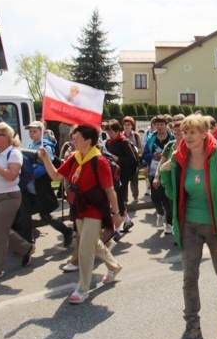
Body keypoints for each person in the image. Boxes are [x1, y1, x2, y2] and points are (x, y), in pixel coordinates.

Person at [160, 115, 217, 339]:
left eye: (192, 132)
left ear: (204, 134)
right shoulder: (178, 157)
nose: (187, 137)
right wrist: (166, 172)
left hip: (216, 225)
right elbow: (171, 192)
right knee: (189, 275)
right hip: (189, 224)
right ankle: (192, 328)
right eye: (184, 132)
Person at [39, 124, 122, 304]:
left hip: (96, 210)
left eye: (76, 138)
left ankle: (82, 289)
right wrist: (46, 159)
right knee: (93, 242)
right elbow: (55, 177)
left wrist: (116, 213)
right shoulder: (74, 158)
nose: (72, 141)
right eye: (73, 138)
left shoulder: (100, 162)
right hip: (79, 208)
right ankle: (114, 266)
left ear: (88, 141)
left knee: (84, 248)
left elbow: (110, 191)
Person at [0, 123, 35, 282]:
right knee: (1, 229)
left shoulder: (14, 153)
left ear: (6, 137)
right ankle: (27, 248)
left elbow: (11, 175)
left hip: (8, 196)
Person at [15, 121, 72, 246]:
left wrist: (29, 176)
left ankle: (66, 231)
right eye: (30, 131)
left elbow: (46, 166)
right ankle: (27, 244)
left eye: (35, 131)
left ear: (42, 132)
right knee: (24, 215)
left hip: (39, 188)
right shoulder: (31, 145)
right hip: (28, 188)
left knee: (45, 216)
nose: (31, 133)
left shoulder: (45, 146)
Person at [104, 119, 137, 233]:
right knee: (117, 200)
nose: (109, 135)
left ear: (118, 131)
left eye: (111, 133)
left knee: (119, 200)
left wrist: (118, 159)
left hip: (123, 175)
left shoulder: (124, 142)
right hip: (112, 174)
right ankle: (127, 221)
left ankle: (116, 229)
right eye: (108, 133)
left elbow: (132, 159)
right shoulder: (109, 143)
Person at [142, 115, 174, 228]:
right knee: (155, 199)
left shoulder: (172, 139)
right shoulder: (151, 139)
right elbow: (144, 155)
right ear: (154, 126)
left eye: (162, 124)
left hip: (168, 173)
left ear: (166, 126)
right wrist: (153, 155)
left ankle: (169, 224)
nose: (159, 127)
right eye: (157, 124)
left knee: (167, 199)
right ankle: (160, 213)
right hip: (153, 172)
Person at [153, 120, 184, 235]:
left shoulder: (188, 144)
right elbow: (162, 162)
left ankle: (180, 230)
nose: (176, 132)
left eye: (179, 130)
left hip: (185, 180)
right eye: (175, 130)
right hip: (171, 180)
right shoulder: (170, 145)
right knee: (171, 204)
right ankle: (173, 226)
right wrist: (157, 176)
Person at [122, 116, 143, 204]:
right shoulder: (121, 135)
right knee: (124, 181)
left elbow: (140, 147)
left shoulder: (135, 135)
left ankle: (135, 196)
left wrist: (137, 150)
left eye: (129, 124)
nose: (127, 126)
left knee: (134, 180)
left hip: (134, 160)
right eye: (125, 124)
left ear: (132, 126)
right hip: (124, 161)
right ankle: (125, 199)